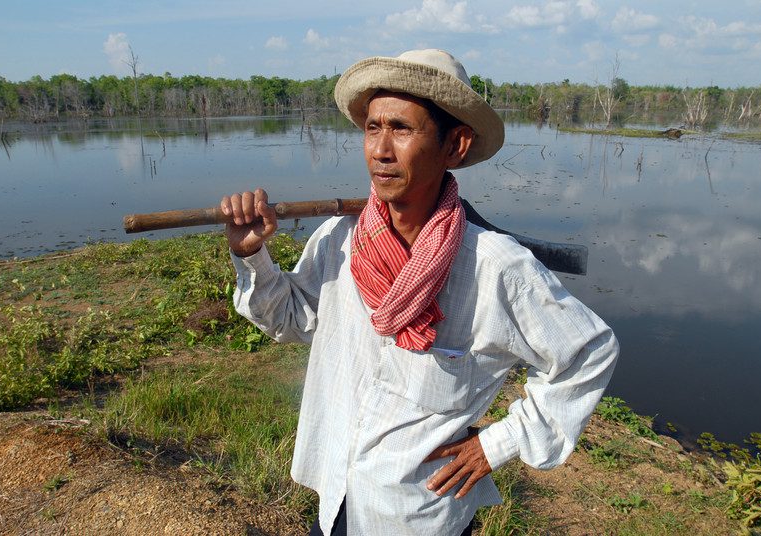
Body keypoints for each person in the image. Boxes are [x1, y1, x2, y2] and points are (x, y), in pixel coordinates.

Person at [221, 49, 618, 536]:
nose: (380, 150)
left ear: (456, 146)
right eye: (372, 128)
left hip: (417, 514)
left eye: (402, 130)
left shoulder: (496, 267)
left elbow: (589, 351)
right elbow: (292, 318)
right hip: (339, 496)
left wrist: (496, 444)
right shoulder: (342, 240)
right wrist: (252, 256)